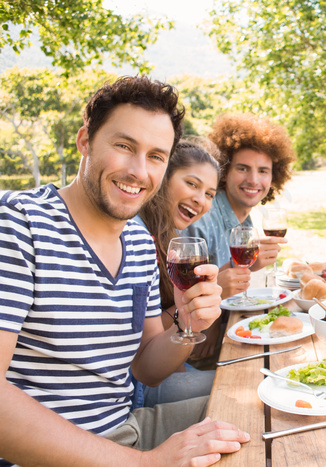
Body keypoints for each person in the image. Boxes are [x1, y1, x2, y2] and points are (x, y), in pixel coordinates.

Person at [0, 76, 249, 466]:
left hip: (125, 432)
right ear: (85, 140)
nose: (138, 171)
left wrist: (188, 324)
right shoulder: (18, 223)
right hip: (45, 455)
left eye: (155, 156)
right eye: (124, 146)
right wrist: (146, 463)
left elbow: (147, 368)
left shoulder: (136, 239)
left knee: (261, 410)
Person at [134, 137, 250, 407]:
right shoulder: (138, 235)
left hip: (167, 370)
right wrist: (189, 311)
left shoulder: (169, 236)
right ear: (163, 177)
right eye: (192, 184)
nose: (200, 200)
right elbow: (141, 335)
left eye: (209, 194)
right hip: (137, 388)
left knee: (249, 373)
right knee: (247, 383)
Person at [183, 113, 297, 358]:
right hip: (193, 350)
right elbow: (186, 296)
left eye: (263, 171)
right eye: (243, 168)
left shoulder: (245, 218)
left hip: (226, 333)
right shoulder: (202, 216)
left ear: (273, 177)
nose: (254, 180)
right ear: (224, 171)